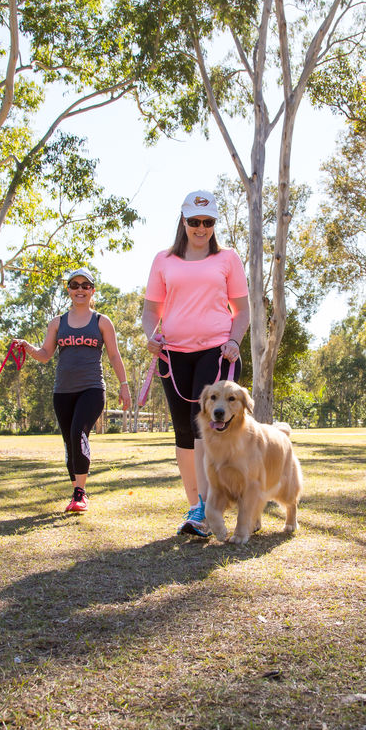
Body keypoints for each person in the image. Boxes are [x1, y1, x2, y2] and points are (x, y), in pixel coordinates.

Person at [142, 190, 250, 537]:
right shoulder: (163, 260)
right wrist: (150, 335)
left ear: (214, 224)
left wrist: (234, 340)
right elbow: (150, 312)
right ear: (183, 220)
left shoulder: (228, 259)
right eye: (194, 221)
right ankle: (195, 506)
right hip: (172, 354)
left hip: (217, 352)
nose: (201, 228)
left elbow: (242, 310)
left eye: (208, 222)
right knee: (184, 431)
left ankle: (207, 508)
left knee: (204, 426)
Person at [18, 267, 132, 513]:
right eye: (75, 285)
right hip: (62, 391)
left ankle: (81, 493)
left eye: (85, 285)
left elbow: (114, 355)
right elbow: (46, 354)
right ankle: (76, 492)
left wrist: (124, 386)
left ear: (92, 290)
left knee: (79, 433)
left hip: (91, 389)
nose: (80, 289)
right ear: (68, 289)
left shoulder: (101, 321)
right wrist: (28, 347)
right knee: (69, 441)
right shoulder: (57, 323)